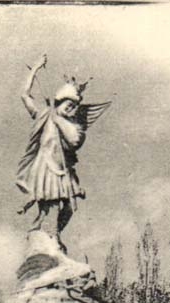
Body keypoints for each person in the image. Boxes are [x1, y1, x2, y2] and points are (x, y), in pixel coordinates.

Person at [16, 54, 110, 246]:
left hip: (64, 171)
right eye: (68, 105)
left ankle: (47, 235)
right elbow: (25, 95)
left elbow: (75, 141)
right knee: (50, 207)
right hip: (46, 168)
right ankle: (50, 239)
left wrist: (58, 119)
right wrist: (35, 69)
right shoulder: (44, 114)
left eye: (74, 107)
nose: (71, 109)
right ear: (60, 102)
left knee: (68, 208)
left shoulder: (72, 125)